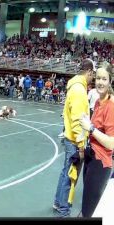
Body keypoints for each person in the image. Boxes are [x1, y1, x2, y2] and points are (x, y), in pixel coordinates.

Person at [53, 59, 96, 217]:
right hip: (74, 141)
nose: (93, 78)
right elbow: (79, 120)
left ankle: (58, 202)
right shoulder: (79, 90)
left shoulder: (75, 86)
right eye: (93, 75)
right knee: (71, 175)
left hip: (70, 138)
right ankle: (64, 210)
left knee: (65, 172)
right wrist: (80, 146)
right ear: (89, 72)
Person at [79, 64, 114, 217]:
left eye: (104, 79)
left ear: (110, 81)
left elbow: (112, 143)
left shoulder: (111, 106)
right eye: (98, 78)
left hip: (100, 163)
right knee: (87, 206)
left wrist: (91, 128)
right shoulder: (99, 101)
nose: (100, 82)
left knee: (88, 211)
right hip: (91, 157)